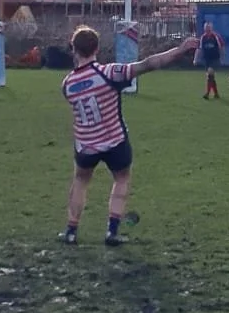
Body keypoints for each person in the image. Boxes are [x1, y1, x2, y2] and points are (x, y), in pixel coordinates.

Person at [60, 26, 197, 244]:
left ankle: (71, 231)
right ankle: (112, 231)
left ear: (74, 49)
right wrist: (180, 50)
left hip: (86, 144)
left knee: (80, 181)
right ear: (96, 48)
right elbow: (149, 64)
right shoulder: (109, 73)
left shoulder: (68, 84)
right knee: (122, 178)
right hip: (114, 140)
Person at [198, 21, 223, 99]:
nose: (207, 29)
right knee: (211, 76)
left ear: (211, 28)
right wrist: (197, 58)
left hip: (215, 59)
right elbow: (200, 48)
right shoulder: (203, 37)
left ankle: (207, 93)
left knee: (210, 73)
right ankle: (216, 94)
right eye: (206, 28)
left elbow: (221, 47)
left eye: (209, 28)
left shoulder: (216, 36)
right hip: (207, 59)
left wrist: (221, 57)